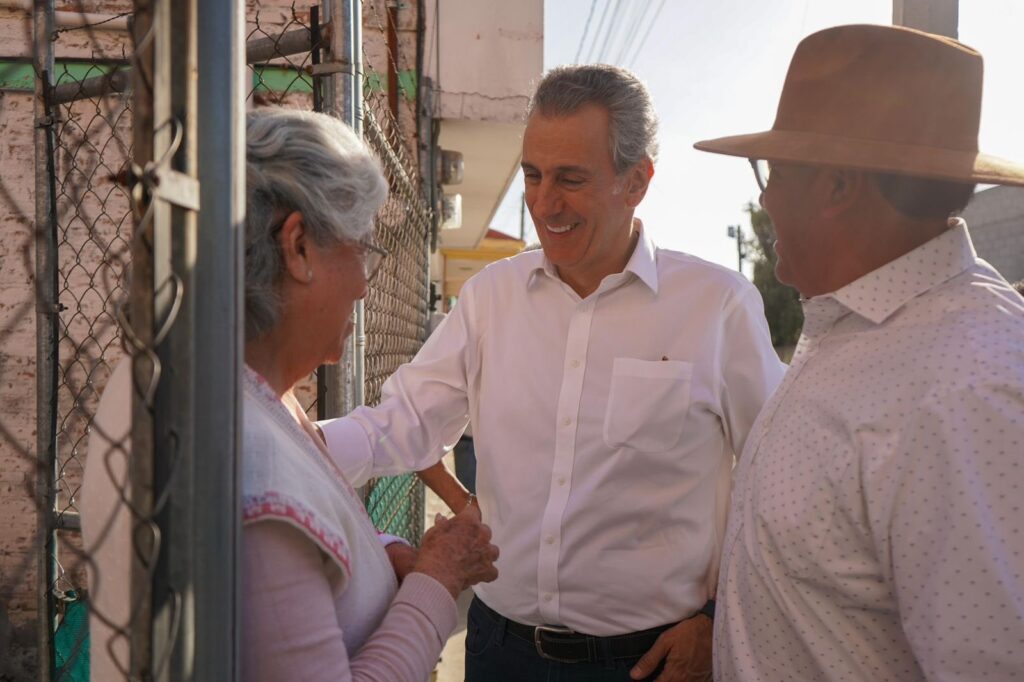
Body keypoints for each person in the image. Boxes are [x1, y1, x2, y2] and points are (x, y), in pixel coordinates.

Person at [320, 64, 784, 681]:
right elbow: (401, 423)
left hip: (651, 662)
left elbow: (775, 481)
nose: (543, 203)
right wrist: (293, 446)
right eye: (533, 176)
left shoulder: (717, 306)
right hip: (498, 651)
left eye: (570, 179)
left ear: (637, 181)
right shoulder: (490, 299)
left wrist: (719, 617)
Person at [82, 108, 500, 681]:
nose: (363, 284)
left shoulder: (204, 387)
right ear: (298, 246)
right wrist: (437, 582)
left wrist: (373, 556)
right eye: (364, 251)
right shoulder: (248, 462)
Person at [694, 24, 1024, 680]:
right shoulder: (857, 329)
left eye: (774, 172)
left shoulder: (963, 390)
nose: (763, 199)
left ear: (839, 186)